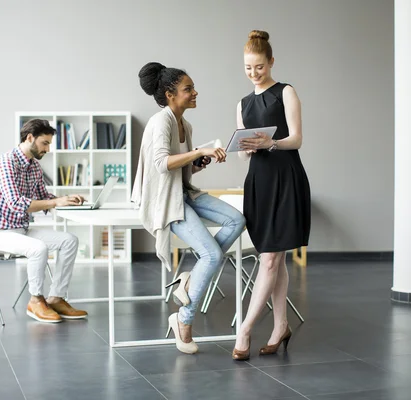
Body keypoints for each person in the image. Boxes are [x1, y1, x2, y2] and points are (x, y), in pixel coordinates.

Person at [131, 62, 246, 354]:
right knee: (211, 254)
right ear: (170, 94)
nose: (195, 92)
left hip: (183, 192)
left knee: (236, 219)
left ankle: (190, 279)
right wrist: (199, 152)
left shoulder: (186, 124)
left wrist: (197, 163)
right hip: (166, 199)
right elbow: (160, 163)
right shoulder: (161, 122)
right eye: (188, 89)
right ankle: (183, 319)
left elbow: (181, 170)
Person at [232, 30, 311, 360]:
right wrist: (246, 149)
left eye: (259, 67)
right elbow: (239, 151)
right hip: (259, 183)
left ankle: (245, 329)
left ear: (271, 62)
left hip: (285, 179)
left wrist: (271, 143)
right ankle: (281, 325)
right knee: (273, 257)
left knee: (269, 259)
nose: (254, 73)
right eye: (249, 68)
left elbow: (297, 139)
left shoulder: (286, 92)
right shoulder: (243, 103)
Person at [0, 119, 88, 324]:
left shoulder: (34, 167)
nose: (47, 148)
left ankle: (55, 298)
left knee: (69, 240)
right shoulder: (5, 162)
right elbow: (17, 204)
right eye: (45, 143)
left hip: (21, 230)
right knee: (38, 248)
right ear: (30, 138)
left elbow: (43, 197)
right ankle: (36, 300)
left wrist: (68, 200)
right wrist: (55, 202)